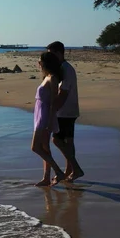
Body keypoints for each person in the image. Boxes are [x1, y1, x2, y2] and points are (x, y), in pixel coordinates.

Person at [46, 41, 84, 182]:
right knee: (68, 142)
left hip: (65, 111)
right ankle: (71, 170)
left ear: (58, 53)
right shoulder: (63, 67)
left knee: (56, 140)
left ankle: (75, 168)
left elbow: (63, 93)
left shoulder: (66, 69)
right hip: (69, 110)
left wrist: (52, 111)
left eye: (51, 54)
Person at [32, 51, 66, 186]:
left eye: (40, 61)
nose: (38, 63)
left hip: (44, 114)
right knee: (45, 147)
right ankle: (46, 177)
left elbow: (53, 101)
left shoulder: (52, 78)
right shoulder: (47, 77)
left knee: (35, 147)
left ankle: (58, 171)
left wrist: (51, 120)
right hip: (39, 112)